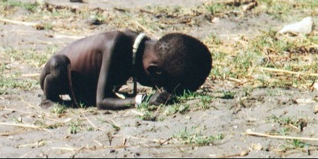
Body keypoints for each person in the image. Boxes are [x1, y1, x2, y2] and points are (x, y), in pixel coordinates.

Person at [39, 29, 212, 110]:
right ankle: (48, 100)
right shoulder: (116, 45)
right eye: (159, 85)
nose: (157, 89)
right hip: (59, 75)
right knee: (58, 65)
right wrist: (142, 100)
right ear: (154, 71)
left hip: (86, 85)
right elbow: (102, 101)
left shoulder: (143, 48)